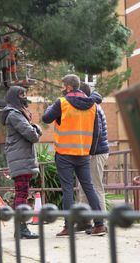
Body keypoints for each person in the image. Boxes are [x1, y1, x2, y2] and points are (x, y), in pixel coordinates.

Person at [42, 74, 107, 237]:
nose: (62, 89)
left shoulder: (62, 102)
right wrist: (90, 151)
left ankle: (68, 226)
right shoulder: (92, 105)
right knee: (89, 188)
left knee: (68, 190)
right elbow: (96, 131)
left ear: (69, 87)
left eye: (63, 86)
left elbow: (46, 118)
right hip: (83, 153)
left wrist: (52, 107)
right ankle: (99, 225)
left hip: (64, 153)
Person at [0, 86, 42, 239]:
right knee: (21, 194)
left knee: (21, 193)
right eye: (22, 95)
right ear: (15, 97)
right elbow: (32, 135)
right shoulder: (14, 114)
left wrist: (33, 128)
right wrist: (37, 128)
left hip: (22, 158)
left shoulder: (16, 113)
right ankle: (21, 228)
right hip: (20, 159)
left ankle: (21, 228)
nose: (25, 97)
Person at [77, 83, 109, 234]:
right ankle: (85, 222)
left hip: (96, 153)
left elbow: (97, 133)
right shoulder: (90, 105)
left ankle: (101, 224)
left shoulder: (93, 107)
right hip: (89, 152)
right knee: (84, 188)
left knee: (96, 187)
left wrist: (90, 152)